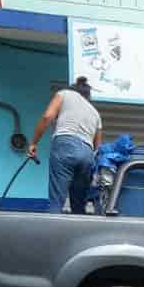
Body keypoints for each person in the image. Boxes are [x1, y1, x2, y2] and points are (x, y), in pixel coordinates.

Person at [27, 78, 103, 213]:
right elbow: (97, 147)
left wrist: (34, 143)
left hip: (65, 145)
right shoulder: (95, 113)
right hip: (87, 153)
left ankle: (52, 233)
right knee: (79, 205)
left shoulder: (64, 94)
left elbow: (47, 116)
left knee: (56, 201)